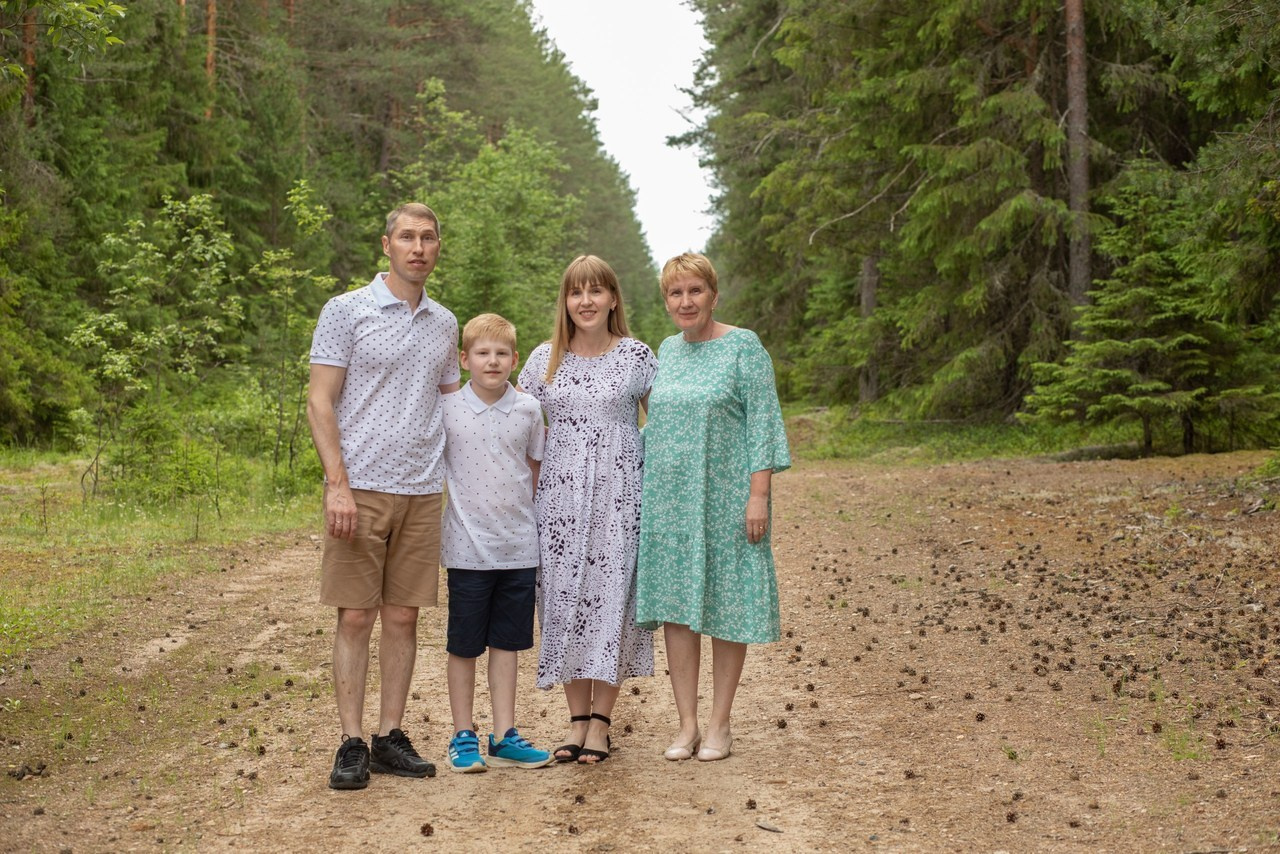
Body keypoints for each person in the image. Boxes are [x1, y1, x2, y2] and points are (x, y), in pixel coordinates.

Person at [307, 202, 460, 790]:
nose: (417, 247)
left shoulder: (445, 323)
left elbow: (455, 403)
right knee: (355, 616)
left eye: (427, 237)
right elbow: (321, 400)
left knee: (402, 617)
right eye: (406, 237)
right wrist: (336, 484)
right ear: (386, 245)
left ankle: (388, 736)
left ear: (437, 247)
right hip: (361, 487)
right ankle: (349, 742)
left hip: (422, 491)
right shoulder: (347, 310)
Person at [636, 252, 790, 763]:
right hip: (672, 502)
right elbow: (653, 426)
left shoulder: (743, 347)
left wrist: (758, 495)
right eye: (675, 293)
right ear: (666, 301)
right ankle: (687, 724)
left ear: (713, 295)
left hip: (727, 499)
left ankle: (721, 722)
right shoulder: (667, 351)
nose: (686, 301)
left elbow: (763, 422)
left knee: (726, 607)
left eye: (695, 291)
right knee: (679, 611)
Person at [518, 255, 657, 764]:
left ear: (613, 298)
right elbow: (520, 429)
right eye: (576, 293)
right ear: (566, 302)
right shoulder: (543, 360)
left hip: (620, 498)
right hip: (557, 501)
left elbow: (664, 419)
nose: (586, 301)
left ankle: (601, 723)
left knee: (610, 600)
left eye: (596, 291)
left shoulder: (637, 356)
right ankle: (576, 720)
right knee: (564, 600)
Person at [439, 313, 553, 773]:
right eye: (482, 353)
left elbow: (535, 469)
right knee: (464, 645)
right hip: (467, 549)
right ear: (464, 359)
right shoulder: (447, 408)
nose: (492, 361)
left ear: (515, 360)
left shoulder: (528, 409)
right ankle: (463, 733)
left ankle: (505, 734)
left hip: (519, 548)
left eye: (502, 353)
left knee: (508, 645)